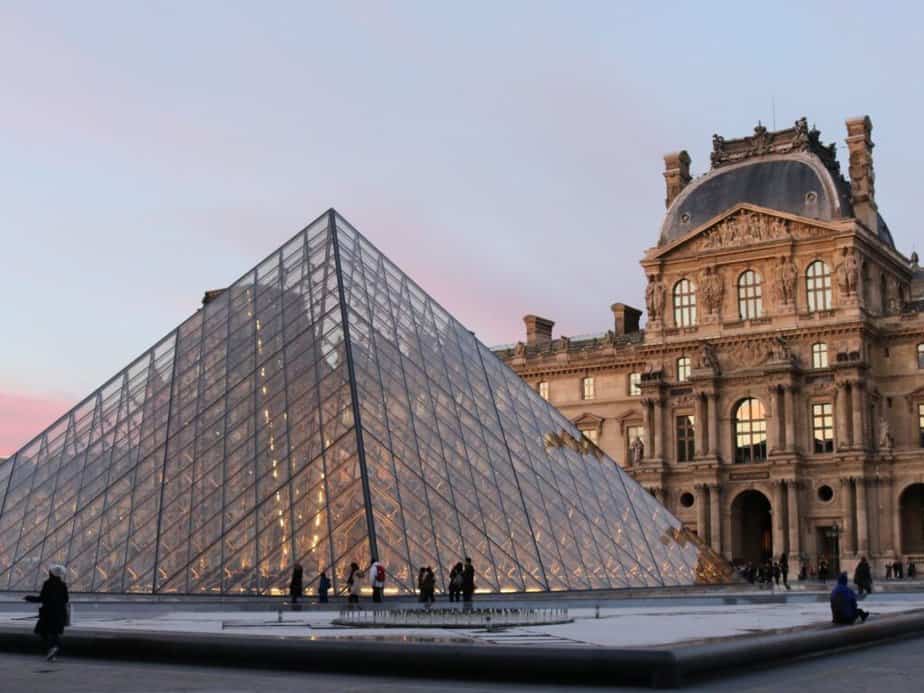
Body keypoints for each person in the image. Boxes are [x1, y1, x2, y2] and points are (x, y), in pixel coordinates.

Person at [24, 564, 69, 661]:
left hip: (48, 613)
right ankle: (53, 651)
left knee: (42, 631)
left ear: (51, 574)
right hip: (60, 613)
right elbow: (66, 599)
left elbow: (42, 598)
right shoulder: (63, 585)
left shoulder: (47, 584)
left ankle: (52, 648)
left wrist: (29, 598)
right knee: (55, 633)